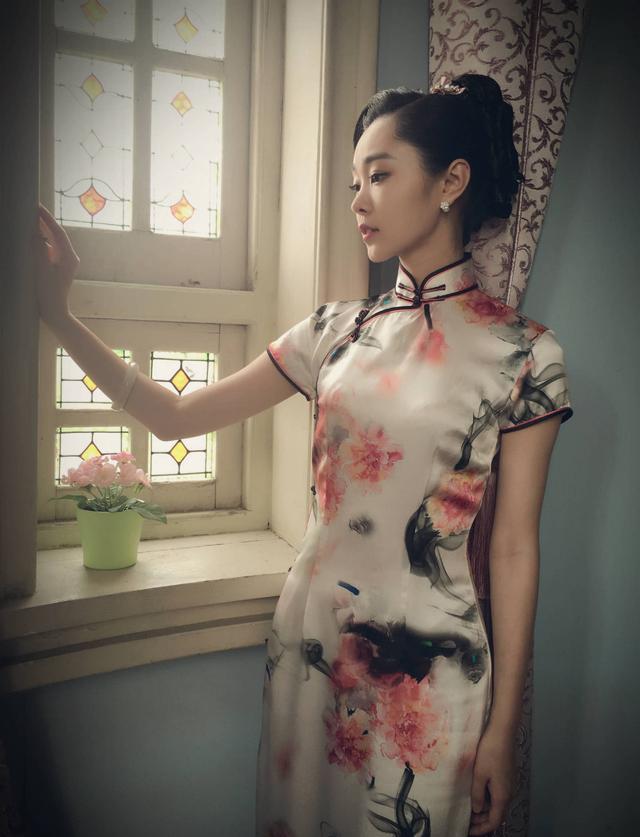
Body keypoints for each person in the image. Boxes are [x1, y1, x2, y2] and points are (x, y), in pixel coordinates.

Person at [35, 71, 573, 837]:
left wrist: (503, 724)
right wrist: (59, 315)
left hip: (433, 670)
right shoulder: (332, 332)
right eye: (354, 181)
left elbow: (515, 547)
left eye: (379, 175)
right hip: (309, 646)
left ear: (451, 182)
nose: (359, 200)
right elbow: (174, 417)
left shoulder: (525, 353)